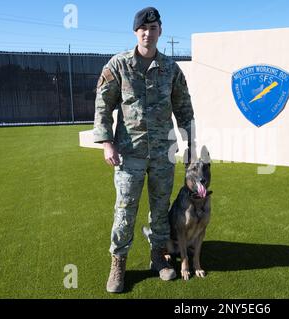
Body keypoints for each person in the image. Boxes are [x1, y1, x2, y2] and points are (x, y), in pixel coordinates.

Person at [93, 6, 195, 293]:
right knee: (125, 210)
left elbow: (184, 109)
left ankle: (158, 258)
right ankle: (118, 264)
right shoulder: (118, 65)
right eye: (143, 29)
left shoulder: (171, 69)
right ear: (136, 32)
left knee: (161, 210)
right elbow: (103, 106)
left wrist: (190, 145)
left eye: (153, 29)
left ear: (160, 31)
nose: (148, 34)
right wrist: (106, 143)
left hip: (164, 153)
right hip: (129, 153)